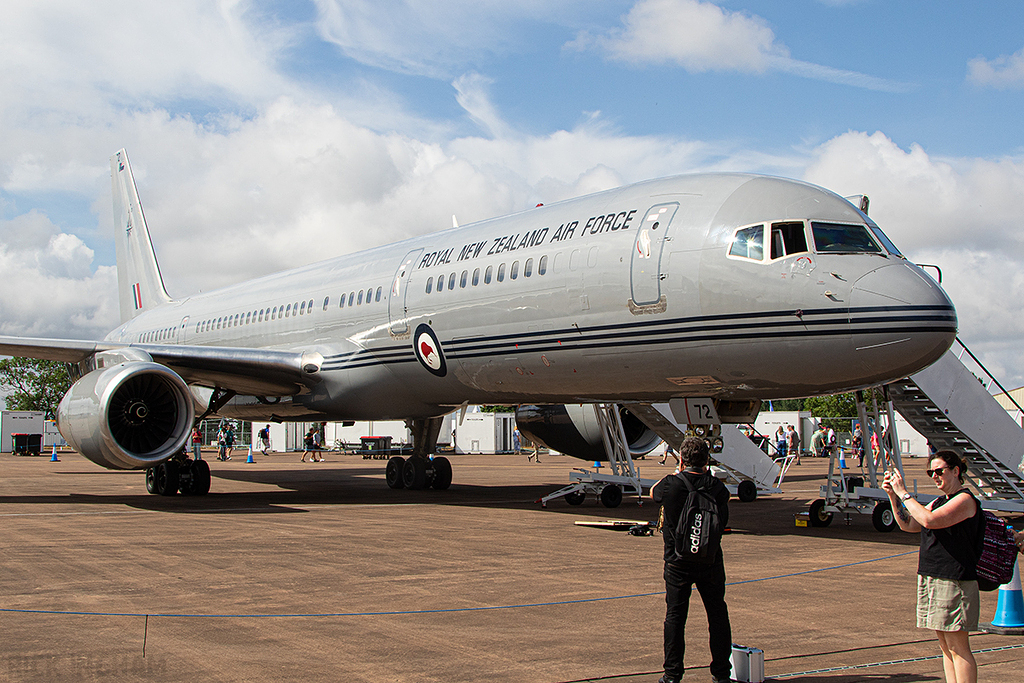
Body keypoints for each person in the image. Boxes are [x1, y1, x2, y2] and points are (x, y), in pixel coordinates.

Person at [882, 450, 984, 683]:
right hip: (934, 577)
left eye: (939, 471)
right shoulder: (939, 501)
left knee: (959, 647)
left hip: (955, 580)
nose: (935, 476)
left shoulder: (965, 500)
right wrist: (892, 496)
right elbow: (909, 524)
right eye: (931, 473)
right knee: (946, 646)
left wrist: (904, 492)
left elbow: (930, 521)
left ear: (956, 471)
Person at [651, 437, 733, 683]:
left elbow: (653, 493)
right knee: (717, 615)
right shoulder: (717, 488)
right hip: (709, 560)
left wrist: (676, 473)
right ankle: (721, 674)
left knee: (675, 617)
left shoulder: (671, 485)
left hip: (677, 562)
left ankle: (672, 674)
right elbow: (724, 520)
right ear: (707, 460)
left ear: (682, 460)